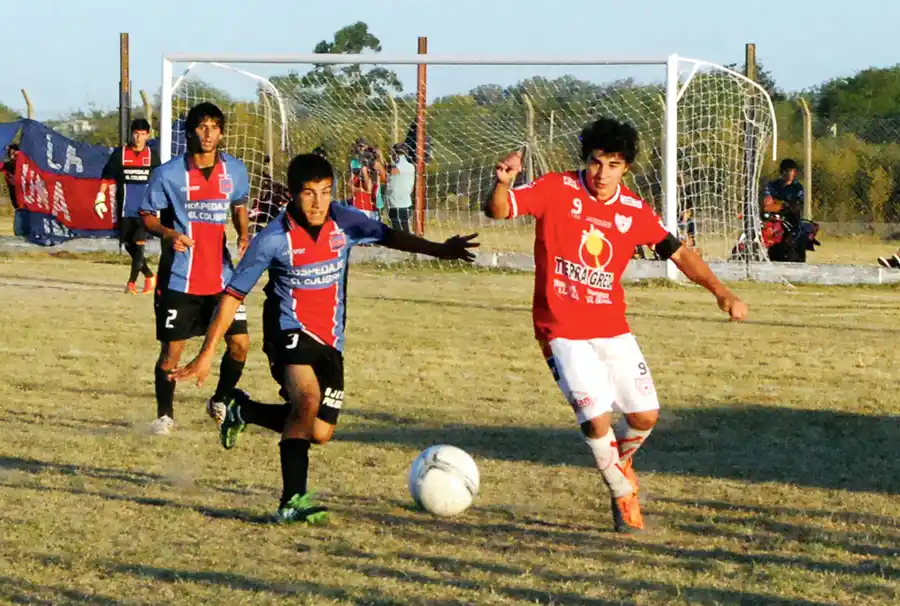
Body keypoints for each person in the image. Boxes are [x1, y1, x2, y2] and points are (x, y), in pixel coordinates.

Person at [170, 152, 479, 523]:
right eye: (308, 193)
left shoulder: (346, 222)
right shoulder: (272, 239)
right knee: (307, 400)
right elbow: (233, 295)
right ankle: (291, 501)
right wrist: (206, 354)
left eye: (325, 192)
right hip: (288, 330)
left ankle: (243, 409)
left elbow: (390, 236)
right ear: (292, 194)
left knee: (319, 431)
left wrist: (440, 250)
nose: (317, 202)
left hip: (330, 340)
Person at [484, 117, 748, 533]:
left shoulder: (633, 211)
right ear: (585, 160)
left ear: (626, 169)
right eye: (595, 162)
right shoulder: (557, 188)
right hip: (561, 328)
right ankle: (622, 493)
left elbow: (678, 253)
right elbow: (499, 210)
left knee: (645, 416)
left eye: (613, 165)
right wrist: (503, 182)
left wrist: (720, 291)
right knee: (596, 419)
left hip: (611, 327)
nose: (602, 174)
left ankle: (618, 460)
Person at [139, 102, 252, 435]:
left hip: (222, 278)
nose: (208, 133)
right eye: (202, 126)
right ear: (190, 132)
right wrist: (168, 232)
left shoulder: (235, 170)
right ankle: (164, 415)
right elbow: (146, 215)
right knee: (172, 352)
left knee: (241, 344)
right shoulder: (168, 174)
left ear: (221, 132)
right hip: (180, 278)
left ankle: (218, 399)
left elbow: (240, 203)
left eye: (214, 126)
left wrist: (244, 233)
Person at [96, 119, 160, 294]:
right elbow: (107, 177)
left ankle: (131, 283)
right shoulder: (120, 154)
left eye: (142, 134)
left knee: (139, 244)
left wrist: (160, 206)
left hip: (145, 210)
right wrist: (100, 197)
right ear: (131, 134)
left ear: (148, 135)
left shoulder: (152, 156)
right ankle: (149, 275)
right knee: (128, 245)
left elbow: (158, 182)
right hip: (124, 209)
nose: (138, 137)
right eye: (136, 133)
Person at [763, 158, 805, 228]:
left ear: (795, 173)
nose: (789, 173)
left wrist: (778, 205)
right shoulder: (772, 185)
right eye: (786, 170)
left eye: (791, 171)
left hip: (790, 221)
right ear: (781, 171)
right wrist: (784, 206)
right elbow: (767, 207)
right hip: (772, 220)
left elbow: (796, 207)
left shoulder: (797, 187)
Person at [386, 143, 415, 233]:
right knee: (405, 228)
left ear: (395, 153)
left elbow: (387, 177)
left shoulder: (396, 167)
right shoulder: (411, 166)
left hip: (395, 204)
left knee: (397, 230)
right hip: (407, 203)